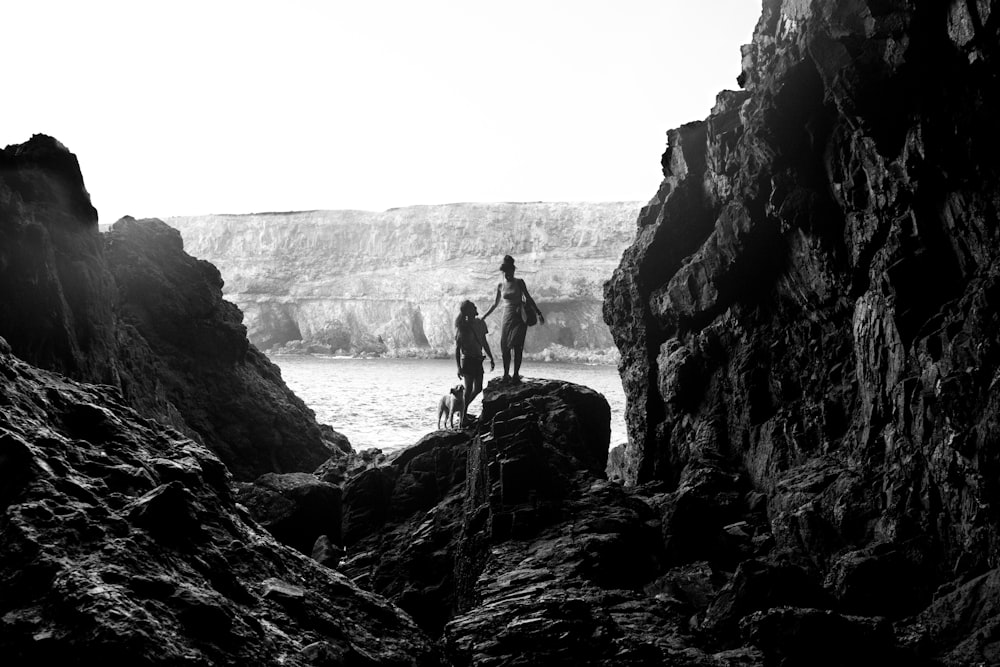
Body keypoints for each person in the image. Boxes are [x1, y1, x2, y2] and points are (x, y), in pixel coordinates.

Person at [482, 255, 543, 383]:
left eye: (509, 271)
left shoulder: (519, 282)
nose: (507, 273)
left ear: (513, 270)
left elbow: (528, 297)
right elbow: (495, 304)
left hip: (519, 316)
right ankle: (505, 374)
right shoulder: (500, 285)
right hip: (507, 315)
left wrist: (538, 312)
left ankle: (515, 374)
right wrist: (484, 316)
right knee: (505, 345)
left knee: (518, 345)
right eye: (505, 271)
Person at [455, 299, 495, 421]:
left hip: (478, 360)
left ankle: (462, 410)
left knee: (477, 388)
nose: (475, 309)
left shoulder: (480, 323)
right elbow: (457, 349)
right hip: (467, 360)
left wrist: (491, 357)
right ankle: (463, 417)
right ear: (468, 311)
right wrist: (459, 367)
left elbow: (483, 342)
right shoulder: (462, 327)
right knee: (467, 390)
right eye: (473, 308)